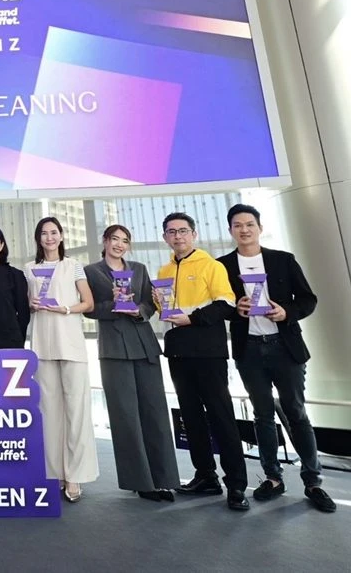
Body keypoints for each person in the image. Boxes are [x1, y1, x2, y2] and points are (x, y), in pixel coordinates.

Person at [218, 204, 336, 513]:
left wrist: (286, 312)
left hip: (285, 347)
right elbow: (219, 305)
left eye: (249, 224)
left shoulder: (283, 260)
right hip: (249, 350)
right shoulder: (222, 266)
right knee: (262, 415)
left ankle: (313, 481)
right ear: (230, 230)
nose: (244, 229)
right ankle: (272, 478)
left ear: (259, 227)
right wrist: (235, 310)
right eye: (237, 225)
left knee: (296, 412)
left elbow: (308, 299)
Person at [155, 211, 248, 511]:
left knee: (221, 416)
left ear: (194, 234)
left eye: (183, 230)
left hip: (208, 353)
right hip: (177, 352)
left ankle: (237, 484)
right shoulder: (163, 271)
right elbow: (163, 308)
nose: (178, 236)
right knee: (191, 418)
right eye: (172, 232)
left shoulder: (212, 265)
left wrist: (192, 318)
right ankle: (206, 476)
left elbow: (226, 304)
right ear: (165, 237)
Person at [84, 224, 179, 502]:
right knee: (125, 417)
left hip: (144, 344)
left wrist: (139, 310)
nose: (119, 245)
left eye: (124, 240)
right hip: (114, 348)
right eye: (114, 239)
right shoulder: (91, 271)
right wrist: (113, 304)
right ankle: (141, 482)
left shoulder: (139, 269)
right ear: (104, 241)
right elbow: (89, 309)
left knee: (156, 413)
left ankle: (164, 479)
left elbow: (150, 303)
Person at [25, 216, 97, 504]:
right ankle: (53, 473)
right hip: (42, 345)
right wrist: (30, 305)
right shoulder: (29, 268)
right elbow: (26, 304)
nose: (49, 237)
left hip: (71, 345)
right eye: (44, 233)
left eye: (54, 232)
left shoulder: (73, 265)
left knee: (76, 412)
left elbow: (88, 302)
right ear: (38, 238)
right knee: (49, 412)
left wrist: (65, 309)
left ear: (62, 235)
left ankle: (75, 475)